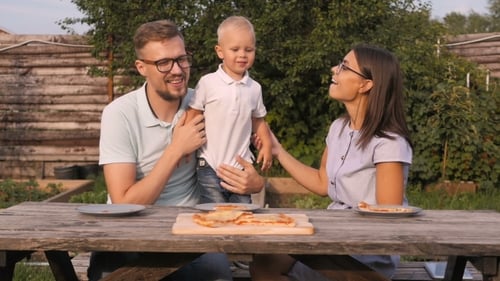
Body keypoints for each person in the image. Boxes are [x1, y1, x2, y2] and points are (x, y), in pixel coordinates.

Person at [88, 19, 265, 281]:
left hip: (192, 231)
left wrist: (256, 182)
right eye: (164, 63)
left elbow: (260, 137)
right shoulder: (120, 113)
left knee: (217, 272)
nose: (177, 70)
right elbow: (124, 201)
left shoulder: (207, 100)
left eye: (182, 59)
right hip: (131, 233)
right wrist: (176, 149)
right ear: (141, 68)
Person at [250, 44, 413, 281]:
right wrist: (277, 150)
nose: (334, 69)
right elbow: (322, 182)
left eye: (345, 67)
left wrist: (324, 241)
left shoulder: (389, 143)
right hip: (333, 237)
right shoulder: (339, 128)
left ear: (366, 84)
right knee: (263, 261)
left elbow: (389, 219)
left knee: (272, 266)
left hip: (365, 253)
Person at [185, 15, 272, 204]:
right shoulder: (208, 83)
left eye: (248, 50)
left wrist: (266, 145)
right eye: (235, 49)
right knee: (215, 213)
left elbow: (258, 121)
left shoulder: (254, 88)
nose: (242, 54)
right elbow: (193, 114)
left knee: (242, 213)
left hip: (240, 167)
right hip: (209, 163)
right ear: (220, 51)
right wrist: (183, 147)